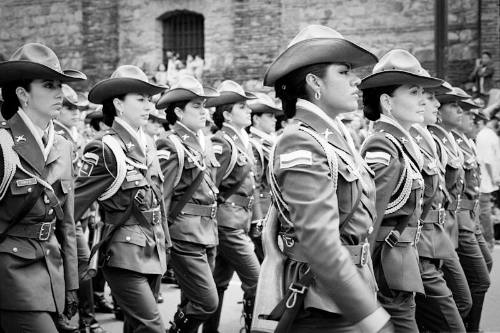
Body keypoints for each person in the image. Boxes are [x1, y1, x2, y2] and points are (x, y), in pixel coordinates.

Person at [256, 25, 391, 333]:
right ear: (315, 82)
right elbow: (320, 242)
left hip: (345, 288)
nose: (355, 80)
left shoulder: (332, 137)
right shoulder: (300, 141)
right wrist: (369, 315)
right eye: (343, 72)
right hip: (323, 298)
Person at [74, 65, 170, 333]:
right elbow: (72, 208)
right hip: (122, 253)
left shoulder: (148, 143)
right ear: (118, 103)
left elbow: (157, 199)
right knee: (152, 327)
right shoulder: (104, 147)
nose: (148, 106)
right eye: (140, 99)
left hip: (153, 248)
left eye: (149, 99)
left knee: (135, 326)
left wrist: (167, 244)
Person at [0, 42, 84, 332]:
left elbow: (67, 225)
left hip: (52, 274)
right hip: (12, 276)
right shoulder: (3, 145)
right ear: (23, 94)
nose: (59, 93)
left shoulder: (62, 146)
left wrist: (72, 285)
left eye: (59, 85)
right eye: (49, 85)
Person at [360, 49, 443, 332]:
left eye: (422, 92)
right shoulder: (382, 145)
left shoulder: (403, 143)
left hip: (405, 257)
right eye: (413, 92)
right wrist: (363, 278)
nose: (423, 100)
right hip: (387, 265)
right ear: (387, 102)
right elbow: (370, 220)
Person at [155, 75, 220, 332]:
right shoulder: (170, 144)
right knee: (206, 302)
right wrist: (163, 239)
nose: (204, 111)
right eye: (196, 106)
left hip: (207, 232)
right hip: (184, 234)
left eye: (204, 105)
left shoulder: (203, 142)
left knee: (192, 299)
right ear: (179, 112)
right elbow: (162, 196)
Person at [202, 80, 261, 333]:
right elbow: (209, 186)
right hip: (228, 224)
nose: (248, 111)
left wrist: (256, 218)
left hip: (240, 220)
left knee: (218, 284)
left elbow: (252, 185)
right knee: (259, 282)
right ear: (227, 114)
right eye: (241, 107)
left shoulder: (242, 140)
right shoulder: (222, 142)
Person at [409, 80, 466, 332]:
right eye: (421, 95)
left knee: (460, 303)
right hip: (416, 246)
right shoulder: (393, 143)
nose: (433, 103)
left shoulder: (427, 140)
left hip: (438, 235)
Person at [434, 86, 491, 332]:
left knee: (478, 276)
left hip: (467, 218)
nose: (464, 113)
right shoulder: (437, 139)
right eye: (456, 107)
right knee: (474, 284)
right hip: (454, 223)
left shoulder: (459, 140)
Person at [247, 92, 280, 262]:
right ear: (256, 119)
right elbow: (256, 184)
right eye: (269, 115)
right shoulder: (255, 145)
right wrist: (257, 219)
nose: (274, 119)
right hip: (264, 213)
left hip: (272, 211)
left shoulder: (270, 143)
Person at [475, 108, 500, 250]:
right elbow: (489, 160)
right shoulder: (490, 135)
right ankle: (488, 242)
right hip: (486, 180)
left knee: (483, 212)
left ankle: (486, 241)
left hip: (481, 179)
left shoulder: (481, 135)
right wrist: (494, 178)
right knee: (485, 212)